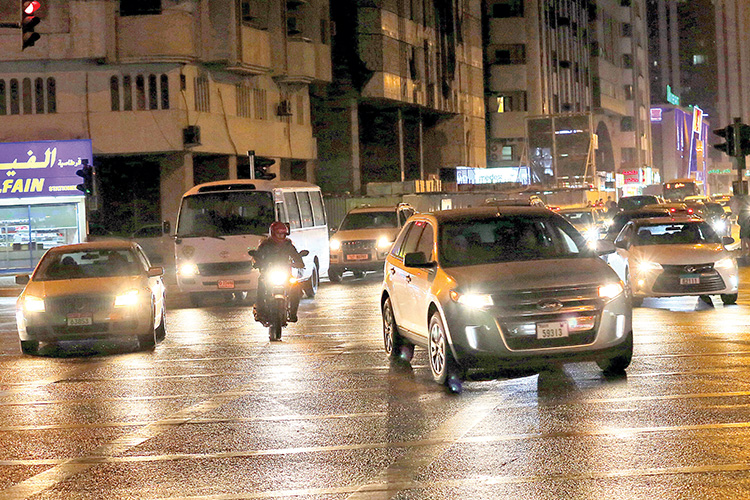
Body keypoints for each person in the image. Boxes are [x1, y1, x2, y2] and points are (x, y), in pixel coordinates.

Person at [251, 221, 305, 323]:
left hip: (285, 273)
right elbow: (257, 255)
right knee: (261, 282)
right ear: (273, 233)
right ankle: (260, 311)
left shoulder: (288, 244)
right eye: (278, 234)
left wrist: (299, 262)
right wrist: (257, 262)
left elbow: (296, 255)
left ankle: (293, 313)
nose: (280, 236)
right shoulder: (265, 244)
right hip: (269, 272)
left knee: (295, 286)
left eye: (283, 234)